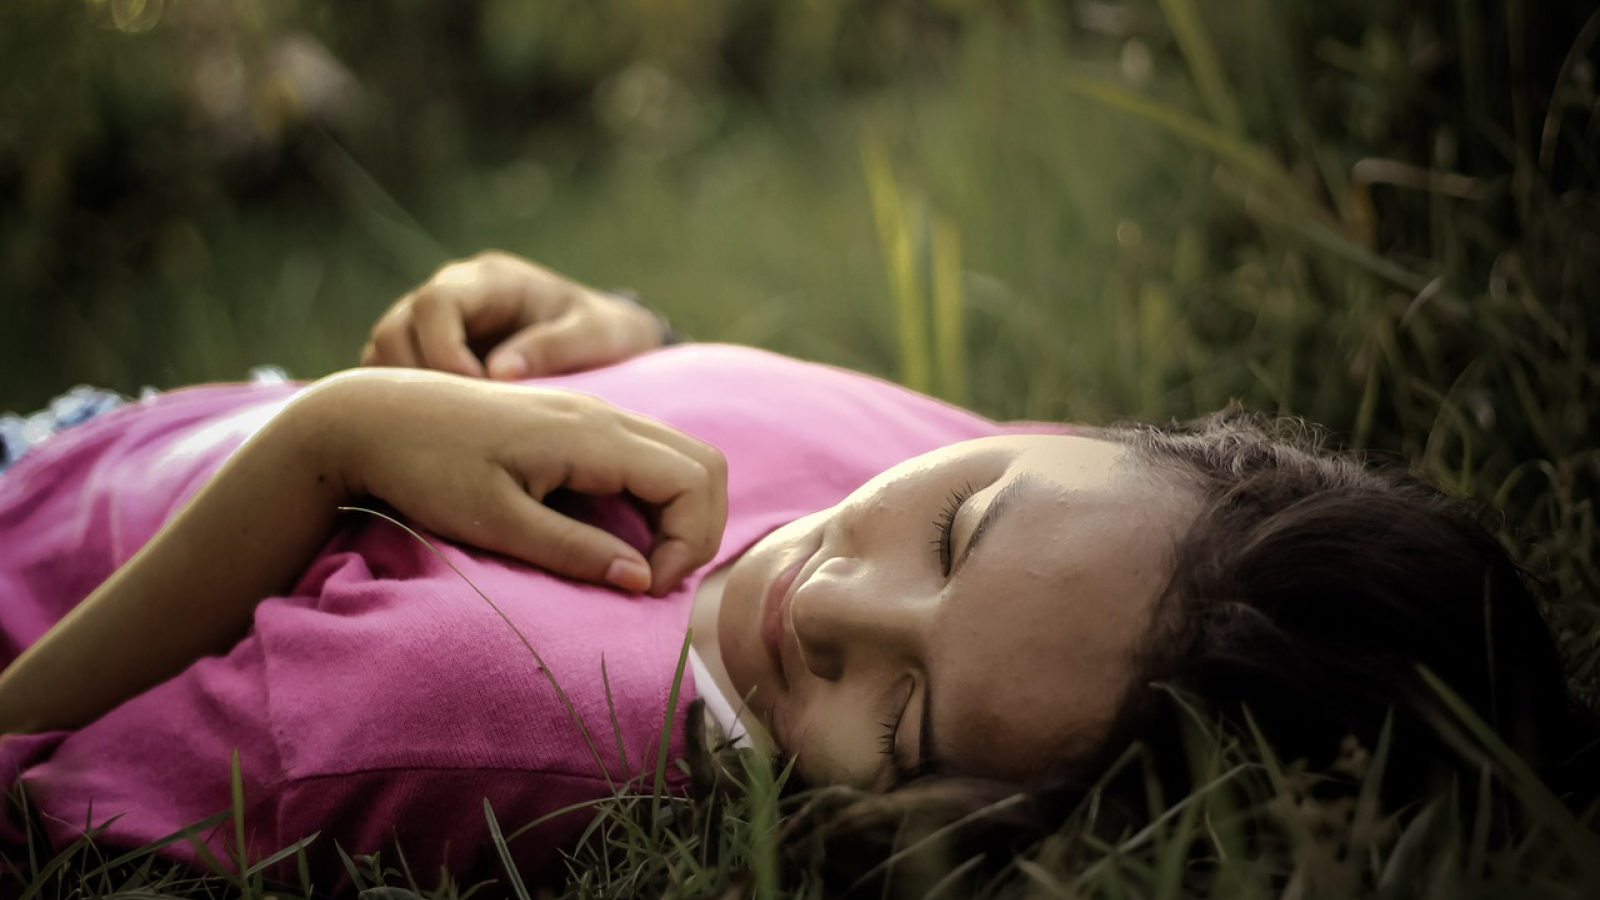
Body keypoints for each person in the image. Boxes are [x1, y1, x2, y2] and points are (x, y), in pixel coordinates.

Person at [0, 252, 1589, 894]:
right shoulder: (1086, 556)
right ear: (1090, 435)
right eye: (958, 530)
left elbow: (28, 754)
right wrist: (608, 331)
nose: (824, 605)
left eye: (902, 729)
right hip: (136, 426)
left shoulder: (445, 720)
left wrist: (331, 450)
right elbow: (723, 391)